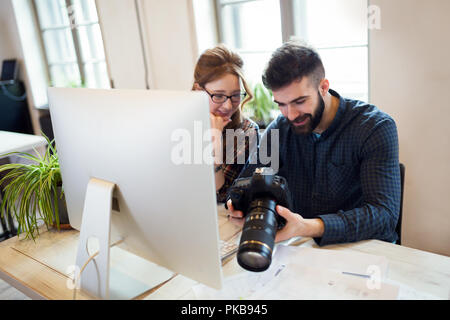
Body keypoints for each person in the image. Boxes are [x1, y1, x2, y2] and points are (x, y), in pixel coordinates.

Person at [227, 41, 401, 246]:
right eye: (281, 104)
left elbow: (384, 215)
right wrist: (239, 205)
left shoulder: (375, 128)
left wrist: (309, 226)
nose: (290, 115)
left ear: (323, 87)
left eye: (300, 101)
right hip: (301, 247)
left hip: (362, 249)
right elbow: (245, 184)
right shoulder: (280, 128)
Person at [193, 44, 260, 203]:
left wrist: (215, 141)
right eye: (219, 96)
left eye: (236, 96)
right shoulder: (179, 124)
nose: (228, 106)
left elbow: (220, 195)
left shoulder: (246, 131)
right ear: (198, 90)